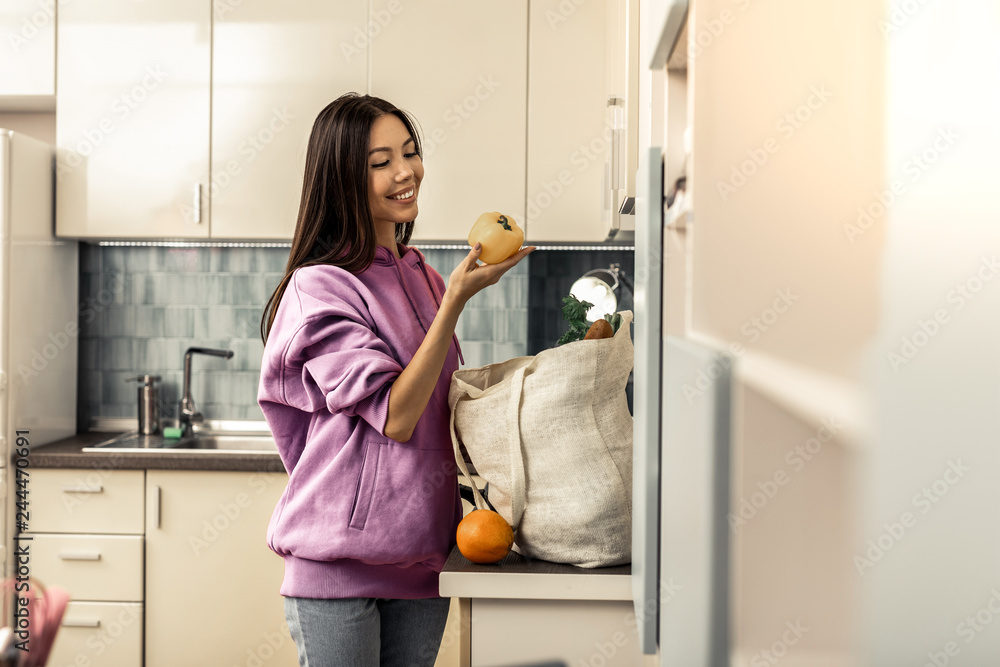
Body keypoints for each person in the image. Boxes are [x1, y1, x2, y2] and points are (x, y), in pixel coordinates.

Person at [258, 92, 534, 666]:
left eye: (409, 153)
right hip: (339, 560)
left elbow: (443, 409)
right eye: (380, 162)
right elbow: (398, 416)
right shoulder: (321, 286)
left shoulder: (426, 277)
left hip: (422, 555)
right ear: (342, 179)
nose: (406, 172)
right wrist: (457, 301)